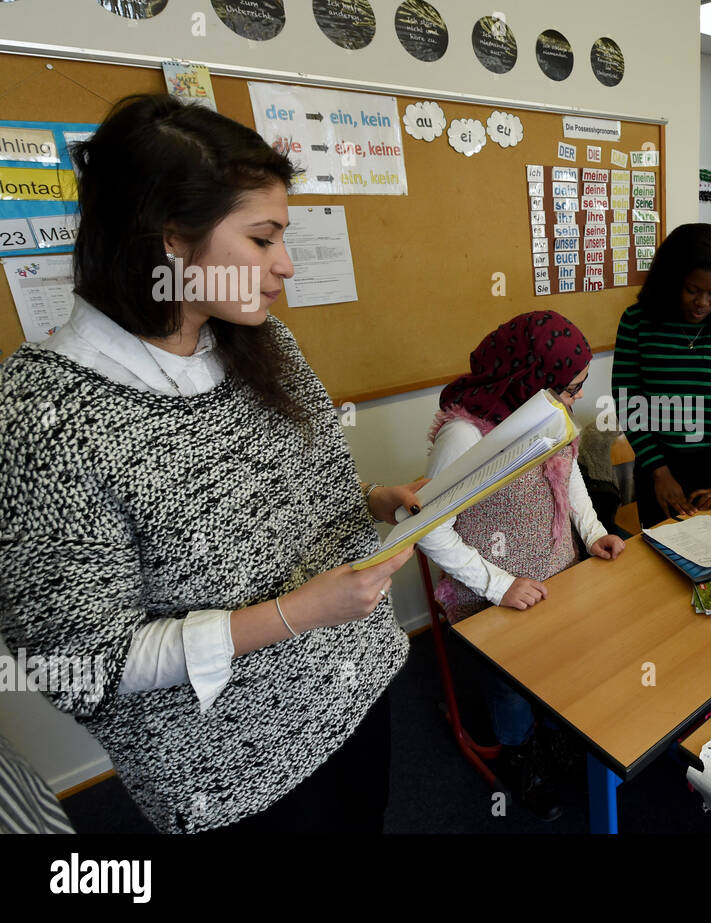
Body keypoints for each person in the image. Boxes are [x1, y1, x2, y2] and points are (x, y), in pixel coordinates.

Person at [0, 95, 422, 834]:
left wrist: (368, 497)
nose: (284, 266)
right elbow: (83, 662)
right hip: (233, 767)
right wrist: (293, 613)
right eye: (263, 239)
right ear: (171, 241)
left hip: (353, 685)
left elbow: (273, 497)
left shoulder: (261, 344)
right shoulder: (47, 415)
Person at [418, 311, 624, 820]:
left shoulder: (547, 414)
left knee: (561, 663)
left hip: (555, 571)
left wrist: (594, 533)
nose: (575, 400)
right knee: (510, 683)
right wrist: (500, 584)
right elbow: (429, 531)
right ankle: (520, 752)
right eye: (570, 389)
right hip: (494, 591)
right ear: (529, 380)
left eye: (579, 389)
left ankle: (553, 734)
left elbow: (569, 477)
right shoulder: (465, 437)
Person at [612, 223, 711, 526]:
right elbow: (628, 401)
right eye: (692, 290)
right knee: (662, 556)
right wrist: (659, 471)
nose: (702, 303)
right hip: (658, 464)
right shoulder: (638, 322)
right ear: (671, 279)